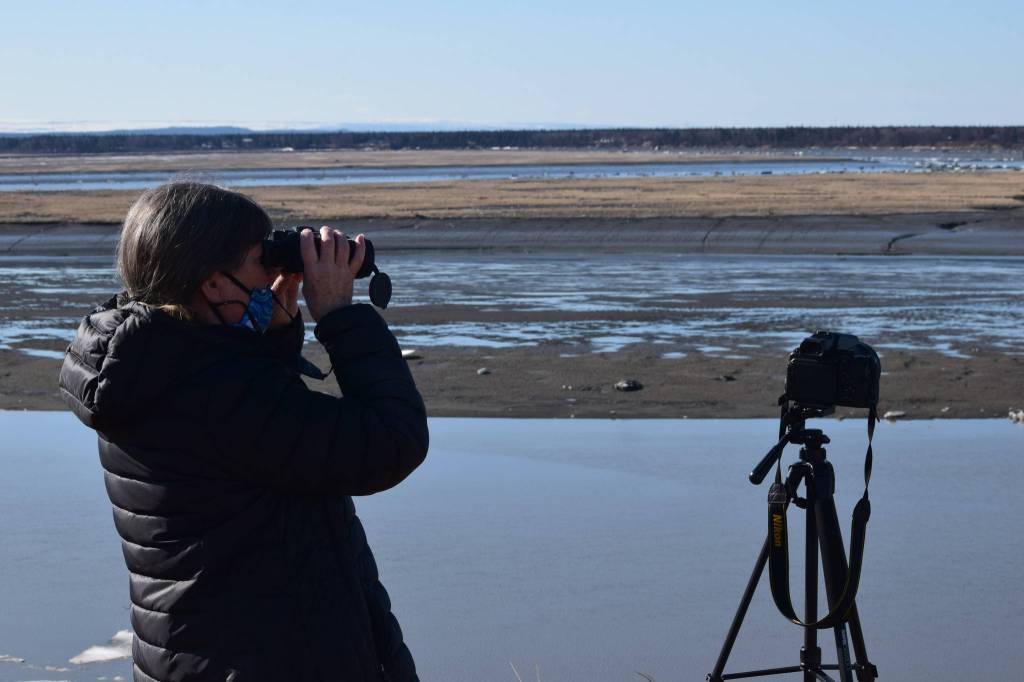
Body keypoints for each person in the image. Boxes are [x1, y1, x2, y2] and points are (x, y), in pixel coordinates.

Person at [58, 182, 429, 682]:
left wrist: (273, 333)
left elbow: (261, 455)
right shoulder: (216, 392)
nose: (273, 271)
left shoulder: (155, 365)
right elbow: (390, 441)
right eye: (261, 258)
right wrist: (340, 316)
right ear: (213, 283)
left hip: (209, 655)